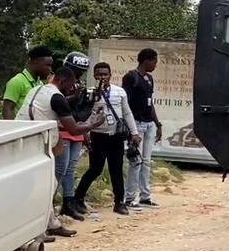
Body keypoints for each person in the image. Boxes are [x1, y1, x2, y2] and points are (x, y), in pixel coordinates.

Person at [17, 66, 103, 238]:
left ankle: (51, 223)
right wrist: (95, 123)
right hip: (38, 143)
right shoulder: (57, 97)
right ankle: (38, 228)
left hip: (24, 138)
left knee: (48, 181)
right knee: (48, 184)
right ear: (62, 81)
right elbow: (74, 129)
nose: (70, 89)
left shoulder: (38, 89)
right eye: (69, 85)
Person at [75, 62, 141, 215]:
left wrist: (134, 132)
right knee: (95, 169)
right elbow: (83, 115)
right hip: (98, 136)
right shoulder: (89, 93)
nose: (102, 77)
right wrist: (85, 135)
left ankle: (119, 202)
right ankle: (78, 199)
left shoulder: (120, 92)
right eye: (99, 75)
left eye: (105, 74)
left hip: (116, 136)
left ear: (110, 75)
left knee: (116, 169)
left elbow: (127, 113)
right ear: (94, 75)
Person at [56, 51, 94, 221]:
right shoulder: (57, 82)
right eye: (75, 70)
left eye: (81, 71)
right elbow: (57, 102)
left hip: (77, 129)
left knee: (70, 169)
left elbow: (80, 111)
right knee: (60, 169)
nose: (77, 74)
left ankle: (68, 203)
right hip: (62, 129)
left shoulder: (78, 84)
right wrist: (73, 97)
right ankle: (51, 202)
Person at [123, 48, 163, 209]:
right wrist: (130, 129)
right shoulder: (131, 77)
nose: (155, 65)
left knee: (146, 161)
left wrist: (158, 123)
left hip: (149, 124)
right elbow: (125, 104)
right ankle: (129, 198)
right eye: (154, 62)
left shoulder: (149, 79)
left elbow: (150, 102)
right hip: (136, 124)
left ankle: (145, 197)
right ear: (147, 60)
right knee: (136, 161)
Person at [3, 46, 54, 120]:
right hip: (23, 130)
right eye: (48, 65)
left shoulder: (40, 84)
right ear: (35, 62)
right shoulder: (17, 81)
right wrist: (15, 129)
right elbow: (7, 110)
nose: (50, 70)